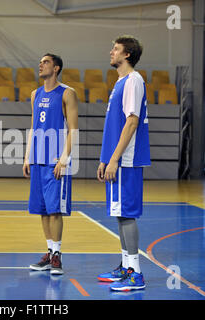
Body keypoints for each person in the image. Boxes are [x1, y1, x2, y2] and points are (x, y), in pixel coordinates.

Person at [96, 35, 150, 291]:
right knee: (120, 214)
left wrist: (115, 159)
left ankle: (135, 273)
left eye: (115, 49)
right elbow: (115, 126)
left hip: (126, 161)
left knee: (126, 215)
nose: (111, 52)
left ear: (127, 54)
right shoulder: (120, 82)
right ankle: (125, 265)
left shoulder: (133, 80)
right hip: (117, 159)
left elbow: (131, 122)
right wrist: (105, 159)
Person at [23, 53, 78, 275]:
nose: (41, 64)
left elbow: (73, 129)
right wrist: (27, 157)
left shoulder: (67, 93)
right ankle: (48, 252)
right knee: (43, 210)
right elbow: (33, 127)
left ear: (56, 68)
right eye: (40, 62)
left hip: (56, 161)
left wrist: (64, 159)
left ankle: (57, 255)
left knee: (55, 210)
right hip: (37, 159)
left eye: (45, 62)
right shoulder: (35, 94)